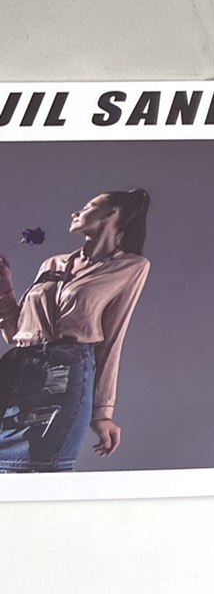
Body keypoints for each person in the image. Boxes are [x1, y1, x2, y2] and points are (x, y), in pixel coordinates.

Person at [0, 190, 150, 472]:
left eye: (88, 206)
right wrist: (4, 289)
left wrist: (102, 412)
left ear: (113, 213)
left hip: (62, 379)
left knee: (32, 471)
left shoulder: (131, 267)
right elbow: (16, 334)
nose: (75, 213)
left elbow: (112, 339)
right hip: (16, 373)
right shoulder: (52, 263)